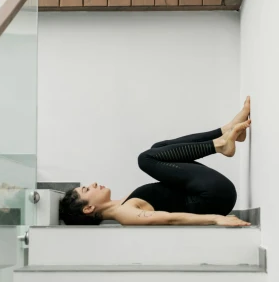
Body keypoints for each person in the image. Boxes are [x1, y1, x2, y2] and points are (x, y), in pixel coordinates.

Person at [59, 98, 252, 228]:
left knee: (157, 148)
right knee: (146, 159)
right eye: (86, 190)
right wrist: (216, 219)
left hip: (212, 194)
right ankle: (221, 143)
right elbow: (170, 219)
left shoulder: (122, 203)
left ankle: (226, 131)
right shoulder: (124, 214)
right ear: (88, 209)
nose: (92, 184)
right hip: (214, 197)